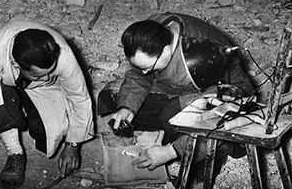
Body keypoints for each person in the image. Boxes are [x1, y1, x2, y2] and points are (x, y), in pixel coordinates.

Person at [99, 13, 256, 170]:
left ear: (166, 50)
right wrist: (127, 107)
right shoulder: (150, 33)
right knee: (111, 97)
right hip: (175, 86)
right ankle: (168, 129)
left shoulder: (208, 54)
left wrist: (172, 151)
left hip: (216, 93)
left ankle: (212, 151)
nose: (145, 72)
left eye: (148, 67)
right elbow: (139, 75)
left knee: (174, 119)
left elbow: (226, 109)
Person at [0, 19, 93, 189]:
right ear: (16, 63)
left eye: (50, 71)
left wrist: (73, 144)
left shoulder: (63, 55)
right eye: (40, 74)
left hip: (43, 88)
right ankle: (15, 152)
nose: (48, 75)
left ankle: (27, 111)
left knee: (52, 132)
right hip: (2, 82)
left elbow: (80, 98)